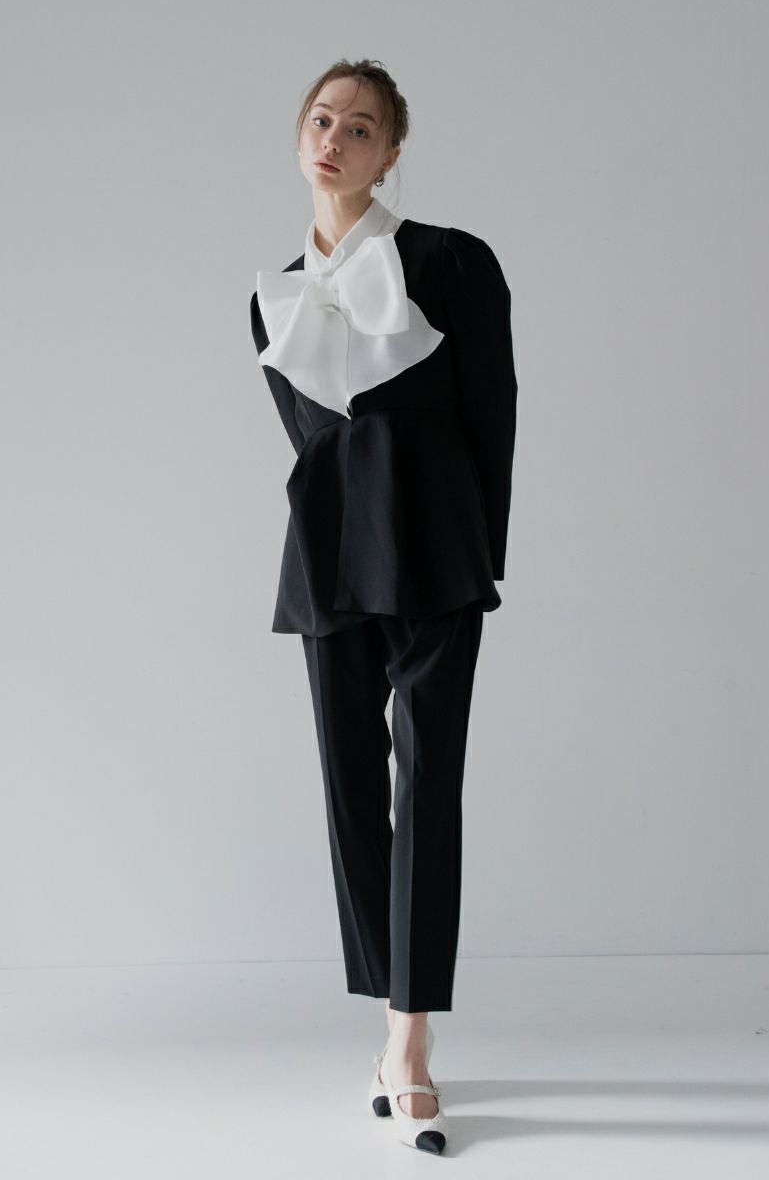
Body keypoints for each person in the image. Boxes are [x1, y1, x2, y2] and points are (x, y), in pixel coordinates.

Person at [250, 58, 517, 1154]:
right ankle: (387, 1008)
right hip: (327, 560)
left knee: (429, 789)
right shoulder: (270, 294)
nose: (336, 138)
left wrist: (482, 552)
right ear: (298, 136)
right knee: (351, 793)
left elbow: (493, 410)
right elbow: (311, 441)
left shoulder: (452, 263)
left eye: (360, 127)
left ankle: (410, 1037)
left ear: (391, 153)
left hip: (437, 557)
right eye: (322, 119)